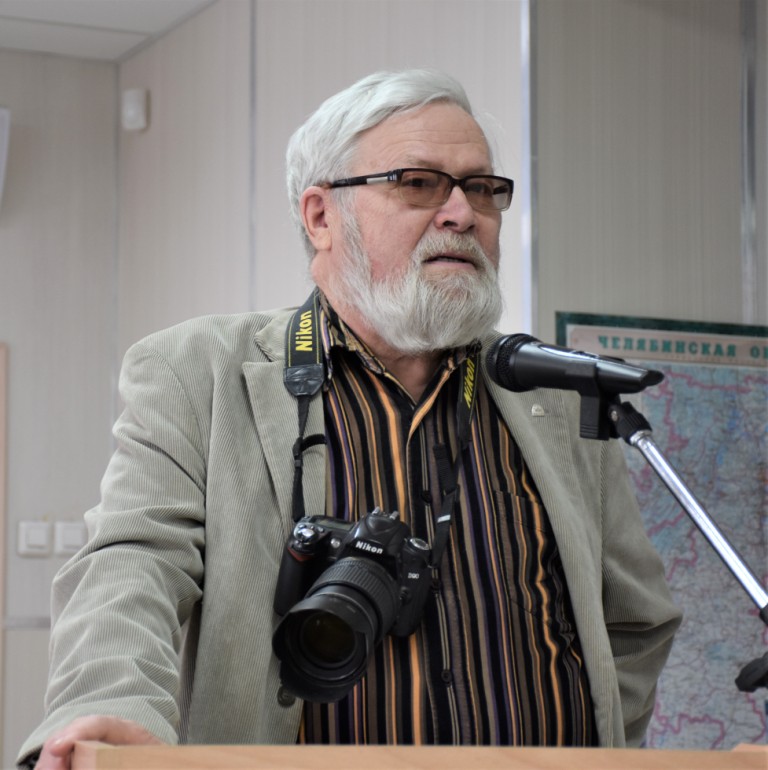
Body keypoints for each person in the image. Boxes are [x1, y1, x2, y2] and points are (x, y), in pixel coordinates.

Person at [18, 69, 681, 769]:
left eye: (483, 188)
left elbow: (634, 622)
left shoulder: (554, 394)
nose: (462, 213)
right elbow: (130, 572)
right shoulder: (198, 374)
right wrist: (112, 717)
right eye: (418, 183)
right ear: (320, 216)